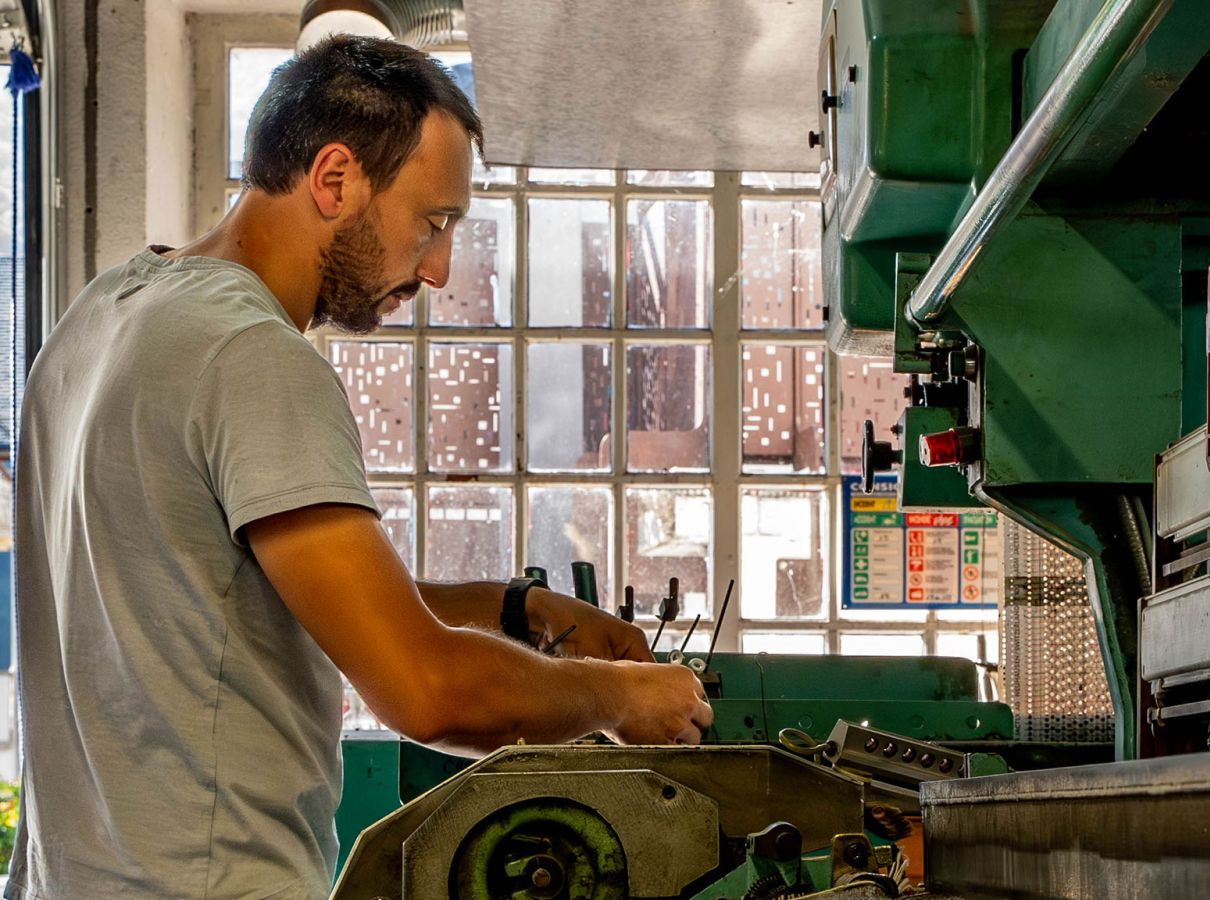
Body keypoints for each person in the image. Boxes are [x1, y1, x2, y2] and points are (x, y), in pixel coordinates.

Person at [7, 35, 713, 899]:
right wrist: (617, 699)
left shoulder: (99, 318)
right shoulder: (251, 356)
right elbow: (426, 691)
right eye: (434, 221)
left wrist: (513, 609)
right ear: (335, 179)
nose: (440, 268)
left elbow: (242, 596)